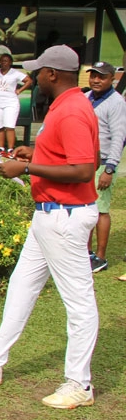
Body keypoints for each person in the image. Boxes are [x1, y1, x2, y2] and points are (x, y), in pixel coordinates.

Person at [0, 45, 100, 410]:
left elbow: (82, 169)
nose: (33, 79)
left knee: (78, 302)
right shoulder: (66, 106)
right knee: (22, 285)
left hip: (65, 215)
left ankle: (80, 384)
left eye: (37, 73)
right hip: (49, 215)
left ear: (52, 75)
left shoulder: (73, 111)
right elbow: (64, 157)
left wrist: (27, 168)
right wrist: (35, 154)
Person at [81, 62, 126, 274]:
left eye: (102, 77)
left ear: (112, 79)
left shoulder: (116, 103)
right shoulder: (87, 97)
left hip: (105, 162)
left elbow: (119, 137)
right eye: (93, 76)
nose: (96, 80)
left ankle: (100, 256)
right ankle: (87, 252)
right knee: (87, 209)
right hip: (86, 161)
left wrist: (110, 169)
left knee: (101, 210)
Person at [0, 53, 32, 156]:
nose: (3, 63)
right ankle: (1, 149)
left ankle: (10, 149)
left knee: (9, 125)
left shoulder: (15, 73)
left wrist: (19, 90)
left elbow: (28, 81)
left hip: (10, 102)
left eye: (6, 61)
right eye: (2, 61)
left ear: (10, 63)